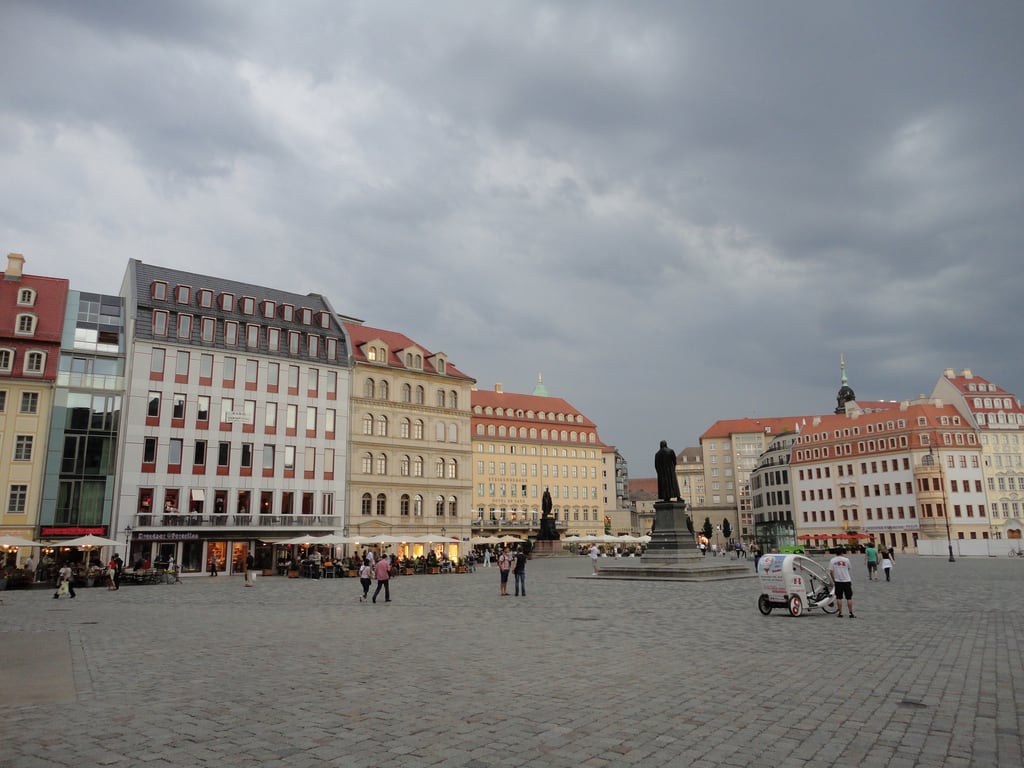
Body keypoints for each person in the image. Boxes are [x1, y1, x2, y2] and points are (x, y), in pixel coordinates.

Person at [829, 547, 855, 618]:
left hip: (838, 581)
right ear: (842, 552)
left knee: (839, 597)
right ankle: (850, 613)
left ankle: (840, 613)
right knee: (849, 597)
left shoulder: (832, 560)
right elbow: (849, 568)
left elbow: (831, 571)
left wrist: (834, 579)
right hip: (847, 580)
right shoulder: (846, 560)